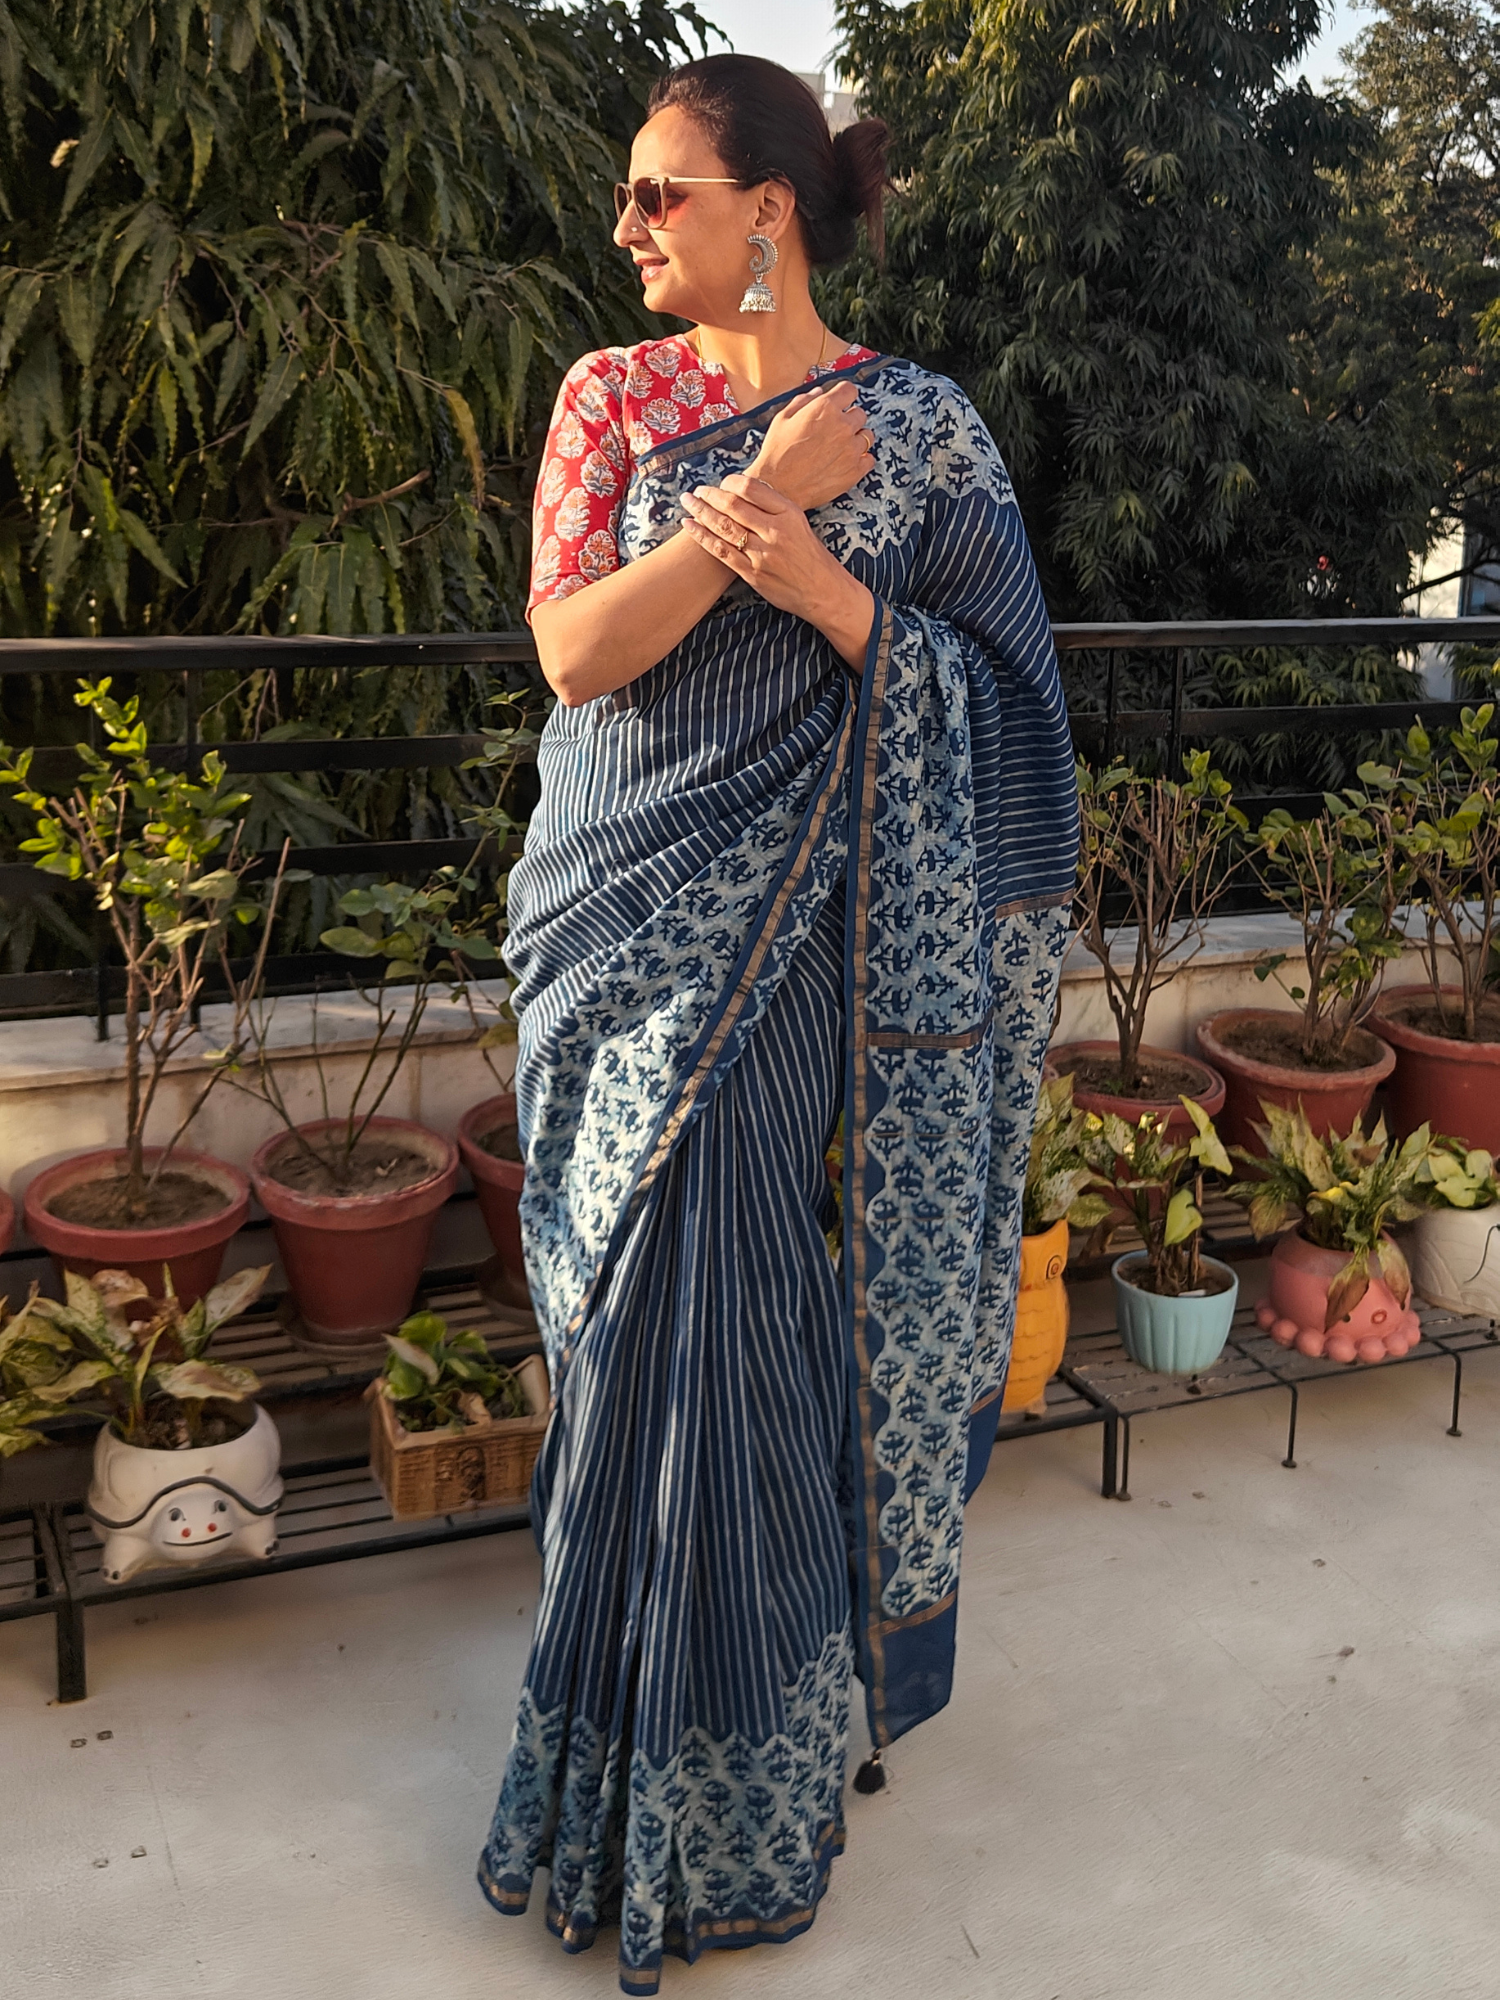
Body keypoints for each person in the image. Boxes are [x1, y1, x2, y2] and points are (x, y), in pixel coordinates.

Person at [478, 53, 1078, 1997]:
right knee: (619, 1333)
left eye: (660, 192)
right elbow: (575, 654)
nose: (629, 227)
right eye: (630, 195)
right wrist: (753, 503)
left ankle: (742, 1764)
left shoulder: (924, 430)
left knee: (737, 1324)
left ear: (769, 214)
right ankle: (618, 1729)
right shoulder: (609, 397)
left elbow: (1017, 716)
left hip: (790, 950)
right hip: (607, 926)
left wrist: (837, 596)